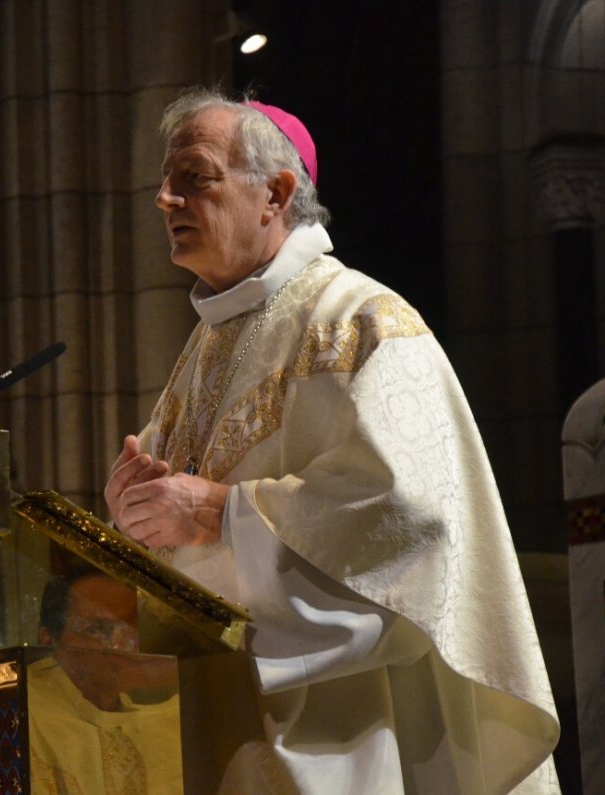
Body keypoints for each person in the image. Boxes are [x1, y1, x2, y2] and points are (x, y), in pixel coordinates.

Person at [104, 88, 561, 793]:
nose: (165, 199)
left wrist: (223, 512)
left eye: (193, 176)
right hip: (219, 715)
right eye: (165, 181)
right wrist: (128, 522)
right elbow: (180, 538)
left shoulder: (362, 320)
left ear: (275, 193)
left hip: (347, 731)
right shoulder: (202, 349)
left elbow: (407, 518)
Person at [27, 570, 183, 794]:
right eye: (98, 630)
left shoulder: (159, 724)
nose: (122, 644)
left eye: (130, 627)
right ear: (48, 639)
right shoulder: (28, 715)